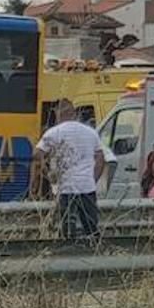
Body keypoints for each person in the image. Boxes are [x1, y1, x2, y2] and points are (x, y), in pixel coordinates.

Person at [33, 99, 105, 241]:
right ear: (74, 113)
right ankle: (95, 252)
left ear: (59, 114)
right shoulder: (90, 132)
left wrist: (48, 173)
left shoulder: (54, 132)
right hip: (87, 187)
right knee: (91, 227)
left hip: (65, 189)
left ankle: (69, 252)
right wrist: (93, 179)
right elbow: (100, 159)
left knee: (67, 227)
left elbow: (37, 154)